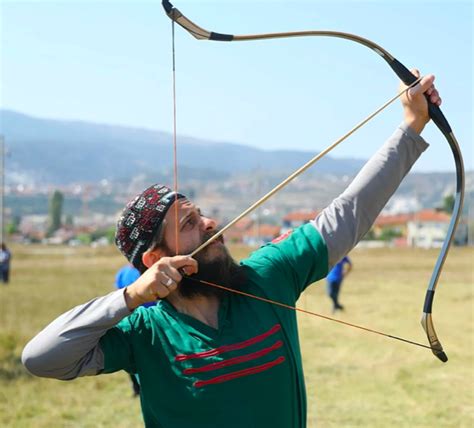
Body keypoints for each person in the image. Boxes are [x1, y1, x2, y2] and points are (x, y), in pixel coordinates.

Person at [22, 72, 441, 427]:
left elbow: (348, 213)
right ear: (155, 260)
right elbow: (41, 358)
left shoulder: (268, 275)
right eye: (189, 224)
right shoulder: (144, 334)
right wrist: (132, 296)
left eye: (202, 213)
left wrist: (410, 126)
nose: (209, 224)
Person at [114, 263, 155, 396]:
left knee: (134, 359)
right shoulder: (148, 272)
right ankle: (141, 388)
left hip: (134, 323)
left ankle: (138, 388)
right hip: (147, 323)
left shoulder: (122, 272)